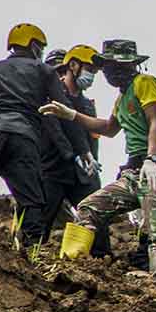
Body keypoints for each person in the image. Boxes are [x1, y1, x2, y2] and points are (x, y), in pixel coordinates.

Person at [38, 39, 156, 272]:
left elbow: (155, 121)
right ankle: (68, 268)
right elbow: (109, 128)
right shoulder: (123, 97)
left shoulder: (145, 82)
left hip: (155, 168)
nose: (107, 72)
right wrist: (71, 114)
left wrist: (152, 158)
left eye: (111, 66)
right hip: (134, 171)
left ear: (127, 65)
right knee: (89, 208)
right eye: (105, 67)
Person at [0, 23, 85, 245]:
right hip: (23, 140)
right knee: (31, 199)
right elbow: (64, 111)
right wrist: (82, 150)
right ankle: (32, 250)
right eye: (41, 47)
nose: (41, 52)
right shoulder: (45, 71)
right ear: (33, 45)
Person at [40, 45, 108, 256]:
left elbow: (92, 136)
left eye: (94, 72)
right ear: (73, 65)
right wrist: (72, 155)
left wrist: (92, 161)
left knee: (96, 214)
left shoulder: (87, 105)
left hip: (82, 174)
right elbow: (54, 130)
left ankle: (102, 259)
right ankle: (27, 256)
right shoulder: (52, 94)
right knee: (40, 218)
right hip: (53, 169)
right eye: (89, 69)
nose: (91, 76)